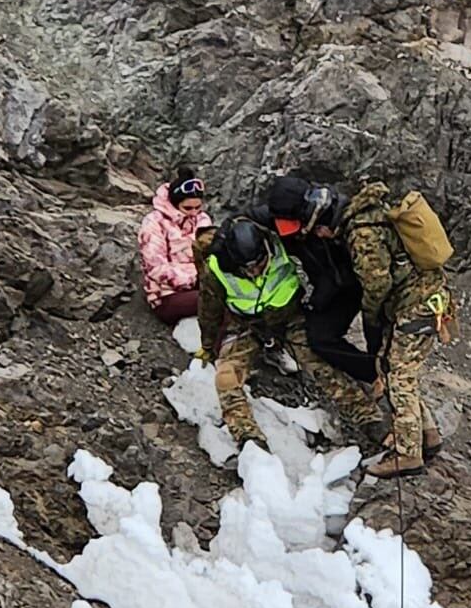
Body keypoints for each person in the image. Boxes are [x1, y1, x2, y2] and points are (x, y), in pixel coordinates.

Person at [193, 215, 386, 453]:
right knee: (226, 375)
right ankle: (249, 438)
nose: (255, 271)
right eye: (247, 268)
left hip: (291, 317)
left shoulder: (281, 242)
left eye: (259, 263)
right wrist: (209, 344)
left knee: (318, 364)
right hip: (248, 326)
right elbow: (208, 309)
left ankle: (369, 419)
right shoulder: (217, 269)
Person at [337, 181, 453, 479]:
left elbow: (377, 284)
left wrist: (371, 316)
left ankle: (407, 454)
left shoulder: (362, 232)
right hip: (432, 297)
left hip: (416, 305)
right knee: (401, 371)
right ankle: (428, 435)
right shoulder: (379, 211)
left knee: (397, 375)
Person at [256, 176, 380, 385]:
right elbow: (250, 217)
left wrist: (373, 313)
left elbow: (372, 280)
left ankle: (385, 375)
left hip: (368, 289)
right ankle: (371, 374)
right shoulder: (286, 212)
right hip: (335, 289)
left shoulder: (347, 222)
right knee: (320, 339)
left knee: (379, 344)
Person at [139, 167, 213, 324]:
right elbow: (157, 268)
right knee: (214, 302)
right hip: (166, 295)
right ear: (174, 203)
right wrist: (195, 276)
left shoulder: (202, 219)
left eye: (198, 207)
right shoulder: (154, 223)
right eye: (188, 208)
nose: (194, 213)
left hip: (202, 284)